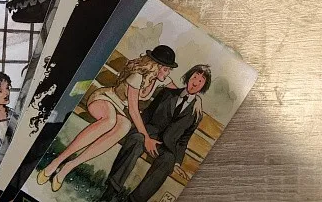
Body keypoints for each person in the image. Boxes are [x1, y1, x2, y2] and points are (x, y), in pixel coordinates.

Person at [37, 46, 178, 192]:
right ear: (155, 67)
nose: (168, 73)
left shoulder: (159, 79)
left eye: (169, 70)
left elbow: (180, 91)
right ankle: (56, 162)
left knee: (124, 126)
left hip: (118, 109)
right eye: (166, 69)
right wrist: (146, 138)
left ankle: (68, 167)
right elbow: (133, 110)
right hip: (104, 98)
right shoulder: (137, 77)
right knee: (110, 121)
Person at [99, 64, 212, 202]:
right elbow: (147, 115)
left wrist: (177, 163)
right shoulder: (167, 93)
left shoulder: (196, 113)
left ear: (203, 86)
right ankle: (110, 191)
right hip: (148, 134)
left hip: (166, 147)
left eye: (201, 81)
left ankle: (134, 200)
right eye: (194, 77)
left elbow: (183, 140)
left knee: (168, 161)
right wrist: (143, 135)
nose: (195, 83)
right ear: (189, 77)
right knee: (136, 140)